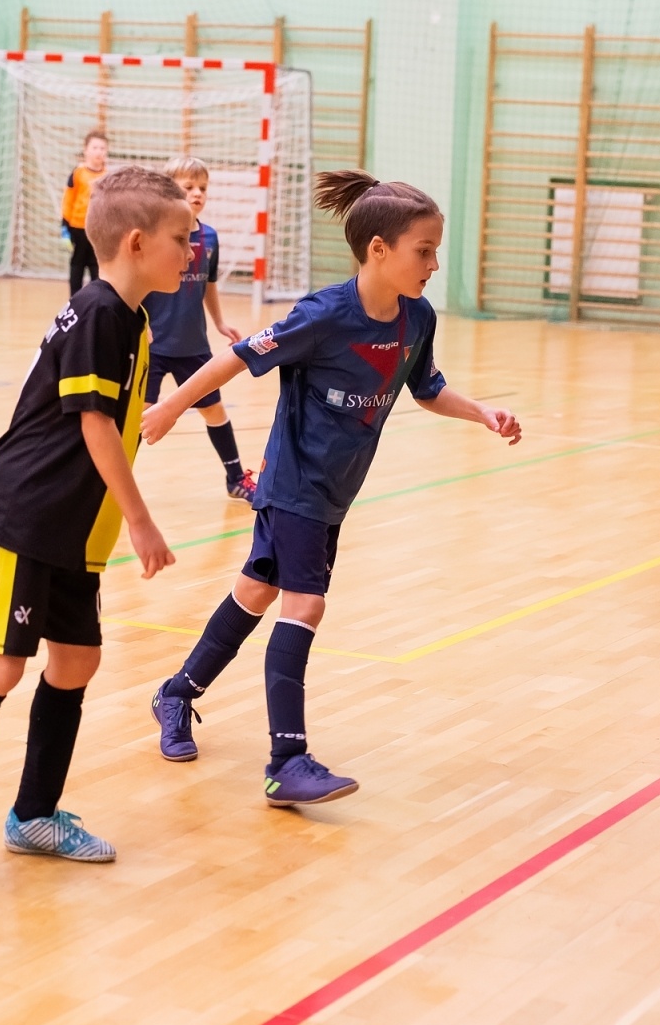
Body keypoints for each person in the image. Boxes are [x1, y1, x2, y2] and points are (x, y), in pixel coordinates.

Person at [142, 170, 522, 806]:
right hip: (294, 485)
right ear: (379, 249)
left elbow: (425, 387)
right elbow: (237, 358)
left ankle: (176, 693)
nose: (433, 264)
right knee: (305, 604)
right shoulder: (323, 314)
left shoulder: (417, 318)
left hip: (332, 494)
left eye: (435, 250)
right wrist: (174, 404)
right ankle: (285, 760)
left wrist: (481, 411)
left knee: (256, 591)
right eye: (422, 251)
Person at [0, 167, 186, 892]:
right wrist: (142, 522)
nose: (194, 251)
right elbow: (95, 425)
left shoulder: (130, 317)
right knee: (1, 666)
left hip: (70, 528)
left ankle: (34, 815)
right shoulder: (97, 312)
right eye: (182, 240)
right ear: (135, 241)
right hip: (25, 516)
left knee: (77, 662)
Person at [140, 156, 256, 501]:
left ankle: (236, 479)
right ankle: (107, 487)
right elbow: (139, 284)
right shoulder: (154, 235)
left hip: (192, 345)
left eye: (202, 187)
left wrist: (219, 321)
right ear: (169, 190)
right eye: (188, 186)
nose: (197, 193)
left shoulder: (210, 238)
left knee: (213, 410)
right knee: (141, 416)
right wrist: (140, 324)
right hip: (154, 344)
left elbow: (208, 282)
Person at [61, 128, 108, 295]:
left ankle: (96, 300)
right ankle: (74, 300)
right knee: (77, 264)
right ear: (86, 150)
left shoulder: (108, 175)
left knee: (97, 265)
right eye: (95, 147)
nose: (99, 152)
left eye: (102, 148)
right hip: (78, 227)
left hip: (99, 229)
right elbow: (68, 200)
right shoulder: (78, 173)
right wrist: (64, 227)